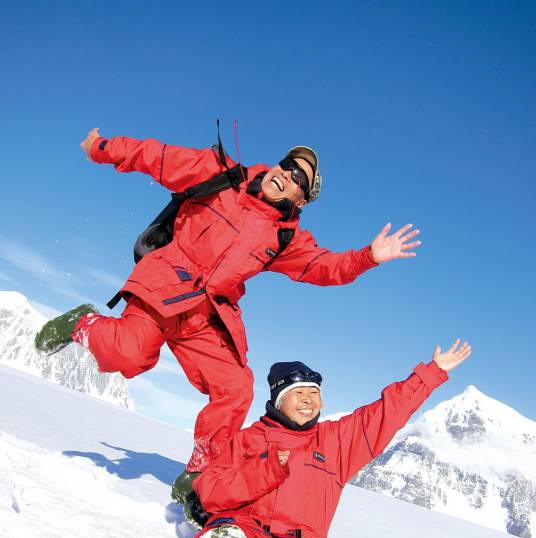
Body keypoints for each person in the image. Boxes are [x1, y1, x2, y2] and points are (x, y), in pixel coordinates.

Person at [35, 126, 421, 484]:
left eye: (298, 179)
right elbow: (157, 156)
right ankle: (82, 323)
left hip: (205, 317)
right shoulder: (220, 175)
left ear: (301, 199)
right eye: (287, 166)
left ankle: (199, 478)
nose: (287, 175)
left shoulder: (286, 238)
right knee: (127, 357)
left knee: (236, 388)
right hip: (162, 286)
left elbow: (324, 267)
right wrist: (102, 148)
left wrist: (368, 256)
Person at [169, 339, 471, 538]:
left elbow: (386, 411)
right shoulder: (248, 440)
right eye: (299, 393)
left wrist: (432, 373)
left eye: (314, 394)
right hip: (248, 534)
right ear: (278, 399)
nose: (308, 401)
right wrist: (264, 471)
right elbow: (212, 491)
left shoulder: (337, 442)